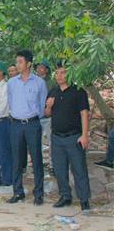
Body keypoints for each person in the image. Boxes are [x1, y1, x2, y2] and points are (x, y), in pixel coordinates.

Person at [45, 63, 91, 211]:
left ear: (69, 74)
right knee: (59, 169)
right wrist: (49, 106)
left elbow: (84, 114)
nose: (59, 76)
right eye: (57, 73)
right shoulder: (53, 92)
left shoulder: (78, 91)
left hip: (74, 136)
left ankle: (84, 200)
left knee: (79, 169)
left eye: (63, 73)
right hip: (56, 137)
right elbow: (47, 114)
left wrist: (84, 135)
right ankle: (65, 196)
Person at [7, 50, 48, 205]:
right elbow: (10, 102)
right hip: (16, 124)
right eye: (16, 61)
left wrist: (33, 117)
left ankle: (39, 194)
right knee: (16, 160)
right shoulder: (11, 83)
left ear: (29, 64)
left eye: (20, 62)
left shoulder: (39, 83)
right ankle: (18, 192)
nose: (17, 65)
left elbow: (42, 105)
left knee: (36, 159)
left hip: (32, 124)